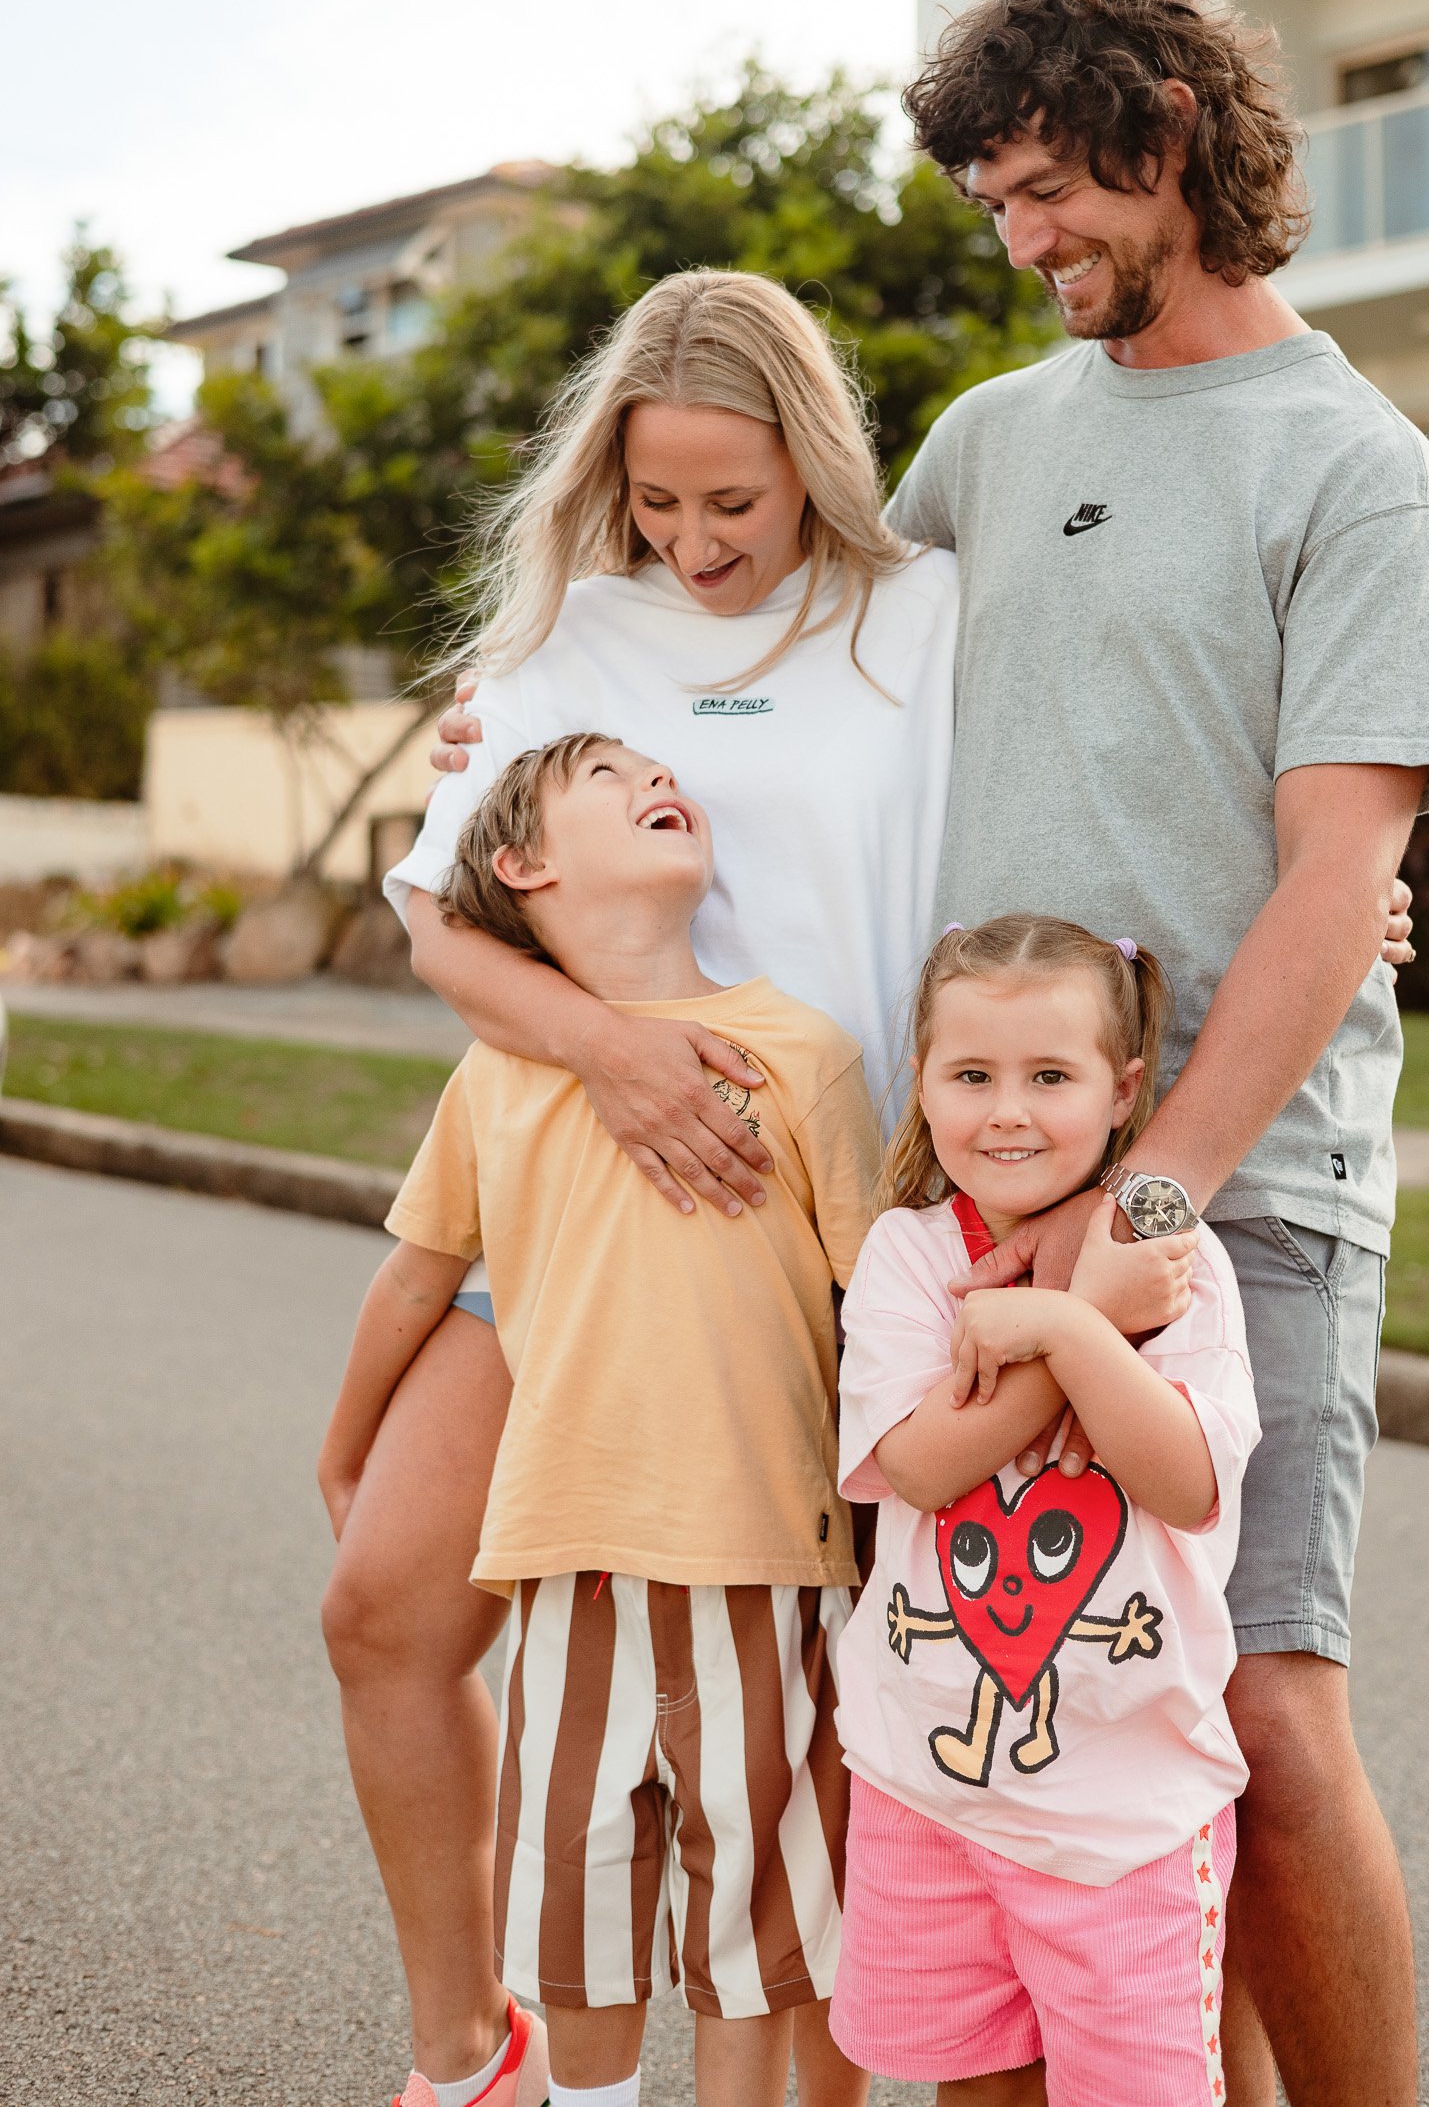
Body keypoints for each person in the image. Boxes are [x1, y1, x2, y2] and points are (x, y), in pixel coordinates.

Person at [883, 0, 1429, 2107]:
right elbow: (805, 682)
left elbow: (1332, 875)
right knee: (1062, 1715)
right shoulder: (981, 440)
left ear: (1162, 137)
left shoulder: (1352, 465)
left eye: (1044, 187)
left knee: (1256, 1706)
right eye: (990, 206)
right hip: (973, 1172)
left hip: (1242, 1187)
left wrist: (1144, 1203)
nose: (1019, 238)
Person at [322, 269, 957, 2107]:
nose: (690, 545)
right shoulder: (562, 641)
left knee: (808, 1735)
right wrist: (606, 1052)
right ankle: (473, 2052)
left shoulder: (920, 618)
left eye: (731, 504)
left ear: (813, 464)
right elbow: (440, 921)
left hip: (818, 1223)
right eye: (653, 502)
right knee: (385, 1609)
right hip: (568, 1209)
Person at [320, 730, 881, 2107]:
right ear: (524, 863)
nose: (655, 781)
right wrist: (342, 1451)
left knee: (751, 1932)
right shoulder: (498, 1078)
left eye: (658, 773)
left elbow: (873, 1311)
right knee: (577, 1917)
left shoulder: (804, 1057)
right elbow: (415, 1277)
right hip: (564, 1566)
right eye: (605, 779)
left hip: (763, 1566)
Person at [830, 914, 1258, 2105]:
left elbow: (1183, 1478)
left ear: (1123, 1092)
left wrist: (1074, 1322)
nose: (1006, 1111)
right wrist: (1073, 1338)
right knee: (971, 2086)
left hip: (1122, 1815)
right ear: (919, 1079)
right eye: (970, 1075)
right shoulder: (910, 1259)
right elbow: (918, 1464)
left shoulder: (1176, 1261)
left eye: (1049, 1076)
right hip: (927, 1788)